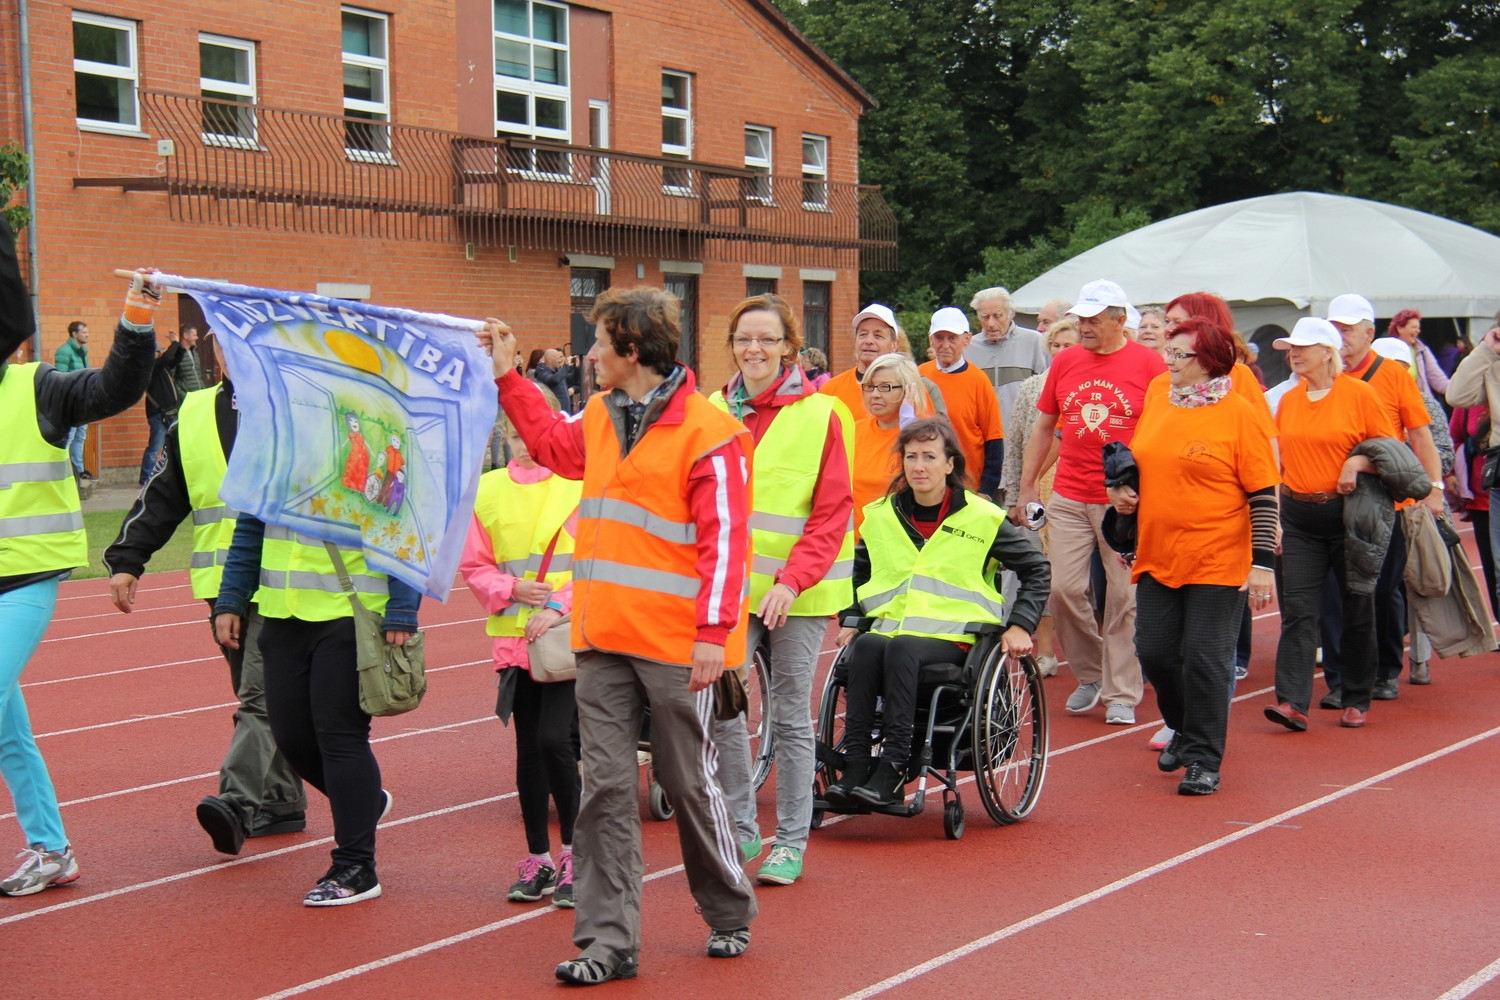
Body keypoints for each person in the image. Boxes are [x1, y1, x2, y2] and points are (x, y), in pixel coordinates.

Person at [485, 287, 758, 984]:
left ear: (633, 349)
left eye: (600, 341)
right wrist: (507, 378)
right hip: (602, 639)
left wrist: (712, 633)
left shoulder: (713, 432)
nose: (589, 354)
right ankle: (607, 943)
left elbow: (726, 543)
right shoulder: (601, 415)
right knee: (605, 788)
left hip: (676, 646)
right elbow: (551, 445)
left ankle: (728, 909)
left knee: (686, 782)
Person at [104, 332, 308, 855]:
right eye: (223, 342)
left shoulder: (298, 406)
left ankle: (236, 803)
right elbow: (164, 495)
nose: (231, 351)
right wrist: (129, 559)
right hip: (220, 587)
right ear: (214, 353)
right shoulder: (190, 413)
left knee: (260, 699)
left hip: (289, 579)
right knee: (262, 698)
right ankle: (283, 801)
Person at [0, 267, 158, 897]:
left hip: (26, 579)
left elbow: (116, 387)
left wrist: (136, 322)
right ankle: (51, 849)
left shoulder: (35, 386)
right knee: (9, 728)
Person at [213, 478, 422, 901]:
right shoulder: (274, 450)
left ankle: (356, 866)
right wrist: (231, 598)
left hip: (349, 614)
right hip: (281, 613)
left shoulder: (363, 439)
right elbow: (250, 528)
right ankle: (363, 800)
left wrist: (402, 606)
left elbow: (400, 526)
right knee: (290, 738)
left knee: (339, 737)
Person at [706, 294, 854, 886]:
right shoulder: (712, 411)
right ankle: (742, 827)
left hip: (802, 593)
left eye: (767, 339)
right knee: (725, 710)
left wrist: (791, 582)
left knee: (790, 716)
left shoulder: (824, 415)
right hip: (731, 593)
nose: (755, 349)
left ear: (789, 346)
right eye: (745, 339)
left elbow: (832, 511)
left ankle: (790, 840)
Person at [825, 419, 1049, 805]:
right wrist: (851, 618)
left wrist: (1020, 625)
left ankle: (894, 766)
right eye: (911, 457)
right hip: (892, 632)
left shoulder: (982, 517)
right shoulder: (881, 515)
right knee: (865, 648)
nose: (919, 466)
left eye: (930, 457)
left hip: (958, 638)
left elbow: (1037, 569)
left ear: (949, 464)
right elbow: (855, 571)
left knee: (900, 648)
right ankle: (858, 762)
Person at [1108, 318, 1279, 795]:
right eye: (1168, 350)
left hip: (1218, 557)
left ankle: (1204, 758)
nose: (1167, 360)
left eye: (1179, 354)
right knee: (1156, 653)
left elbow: (1264, 493)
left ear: (1207, 363)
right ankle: (1184, 728)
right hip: (1159, 551)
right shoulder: (1160, 393)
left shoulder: (1240, 414)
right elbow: (1145, 459)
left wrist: (1262, 565)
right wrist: (1123, 489)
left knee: (1205, 658)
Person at [1015, 279, 1167, 725]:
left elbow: (1161, 430)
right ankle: (1089, 673)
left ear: (1120, 320)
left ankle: (1121, 691)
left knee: (1123, 597)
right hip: (1068, 494)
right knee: (1062, 589)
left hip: (1122, 501)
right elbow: (1044, 428)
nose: (1083, 326)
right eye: (1081, 318)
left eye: (1093, 319)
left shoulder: (1150, 364)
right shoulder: (1065, 361)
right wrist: (1027, 487)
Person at [460, 412, 583, 908]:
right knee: (528, 751)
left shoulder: (577, 484)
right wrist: (512, 588)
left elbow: (599, 559)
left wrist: (556, 605)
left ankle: (577, 853)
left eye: (530, 434)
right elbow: (475, 564)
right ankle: (540, 859)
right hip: (514, 642)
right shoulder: (487, 491)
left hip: (565, 639)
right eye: (514, 435)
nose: (524, 444)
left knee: (557, 740)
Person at [1265, 317, 1396, 731]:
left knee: (1357, 606)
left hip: (1348, 515)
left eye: (1303, 346)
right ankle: (1292, 702)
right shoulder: (1288, 400)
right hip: (1300, 515)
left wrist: (1356, 462)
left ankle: (1357, 695)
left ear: (1328, 351)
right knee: (1300, 613)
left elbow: (1389, 451)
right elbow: (1278, 459)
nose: (1294, 353)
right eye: (1291, 347)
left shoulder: (1360, 395)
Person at [1325, 294, 1443, 702]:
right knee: (1338, 594)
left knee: (1382, 590)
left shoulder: (1392, 376)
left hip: (1384, 501)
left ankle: (1386, 668)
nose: (1339, 336)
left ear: (1369, 332)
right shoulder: (1322, 376)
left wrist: (1434, 489)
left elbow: (1420, 434)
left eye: (1347, 328)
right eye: (1333, 327)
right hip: (1332, 499)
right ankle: (1344, 677)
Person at [1002, 317, 1081, 678]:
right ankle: (1046, 650)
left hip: (1075, 486)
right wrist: (1016, 488)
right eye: (1056, 345)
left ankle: (1090, 650)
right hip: (1036, 490)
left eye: (1070, 344)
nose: (1062, 352)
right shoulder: (1032, 387)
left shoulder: (1087, 385)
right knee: (1039, 565)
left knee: (1076, 581)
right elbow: (1017, 442)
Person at [919, 307, 1004, 497]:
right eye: (939, 338)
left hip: (968, 486)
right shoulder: (919, 375)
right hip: (926, 484)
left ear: (967, 340)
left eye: (953, 338)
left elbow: (994, 439)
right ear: (930, 340)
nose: (945, 345)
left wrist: (987, 490)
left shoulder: (979, 380)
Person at [851, 352, 934, 533]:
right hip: (856, 547)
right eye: (870, 386)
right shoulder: (851, 431)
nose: (875, 394)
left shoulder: (927, 435)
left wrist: (908, 425)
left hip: (902, 545)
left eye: (885, 387)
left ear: (908, 390)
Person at [819, 303, 946, 421]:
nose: (868, 341)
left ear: (894, 345)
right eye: (863, 334)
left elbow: (931, 435)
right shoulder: (831, 389)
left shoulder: (912, 389)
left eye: (878, 336)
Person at [963, 286, 1049, 430]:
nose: (990, 323)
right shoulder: (968, 348)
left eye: (997, 316)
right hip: (983, 438)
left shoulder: (1034, 341)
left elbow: (1048, 392)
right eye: (984, 317)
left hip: (1025, 434)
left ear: (1011, 314)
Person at [141, 327, 188, 485]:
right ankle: (145, 478)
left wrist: (179, 346)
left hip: (168, 412)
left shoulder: (161, 367)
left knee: (170, 445)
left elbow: (175, 359)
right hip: (158, 414)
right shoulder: (149, 368)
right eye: (156, 351)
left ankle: (162, 474)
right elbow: (167, 358)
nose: (159, 353)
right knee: (155, 447)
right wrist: (173, 343)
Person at [53, 321, 92, 483]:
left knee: (80, 437)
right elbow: (61, 378)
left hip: (82, 401)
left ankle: (79, 469)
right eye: (83, 332)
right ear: (74, 334)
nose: (87, 334)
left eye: (87, 331)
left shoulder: (82, 352)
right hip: (71, 402)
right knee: (70, 436)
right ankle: (64, 468)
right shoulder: (64, 351)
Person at [1390, 310, 1449, 398]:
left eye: (1418, 328)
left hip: (1418, 403)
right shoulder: (1386, 350)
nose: (1418, 331)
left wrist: (1459, 389)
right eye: (1414, 327)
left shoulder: (1422, 351)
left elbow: (1438, 379)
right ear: (1399, 328)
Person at [175, 324, 204, 394]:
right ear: (185, 336)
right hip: (187, 397)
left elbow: (198, 375)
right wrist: (183, 395)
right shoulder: (176, 354)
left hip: (200, 395)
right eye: (194, 335)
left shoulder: (195, 353)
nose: (197, 338)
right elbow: (171, 379)